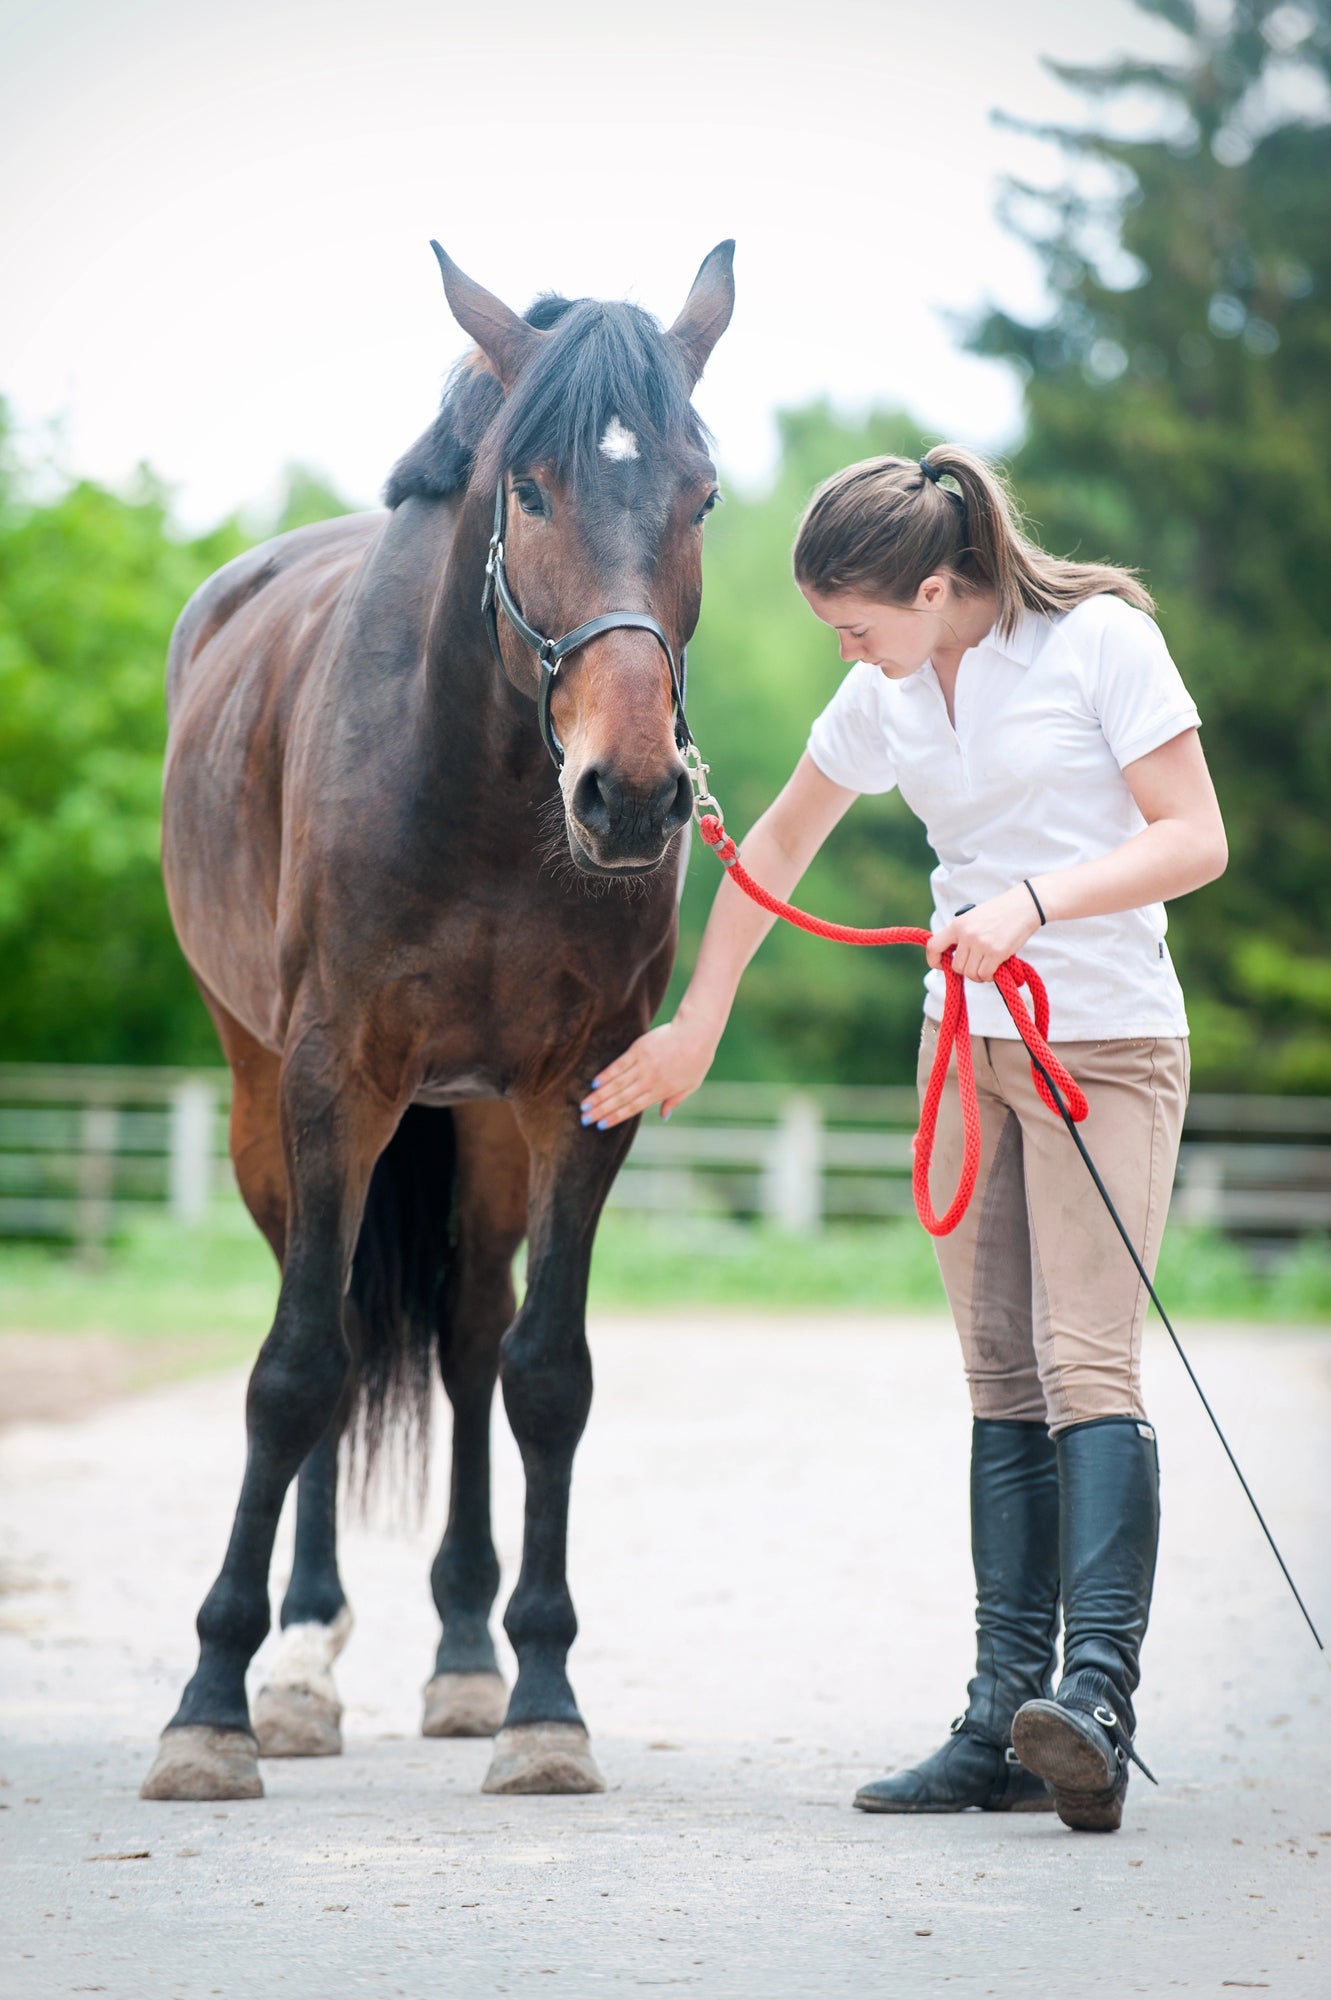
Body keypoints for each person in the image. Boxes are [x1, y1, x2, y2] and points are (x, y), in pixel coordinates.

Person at [579, 447, 1228, 1833]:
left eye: (858, 625)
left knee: (1083, 1361)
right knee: (998, 1373)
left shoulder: (1099, 645)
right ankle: (1003, 1721)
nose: (848, 653)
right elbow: (774, 850)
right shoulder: (887, 693)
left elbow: (1195, 839)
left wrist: (1033, 906)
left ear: (936, 587)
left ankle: (1096, 1705)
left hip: (1099, 1039)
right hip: (962, 1044)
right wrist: (698, 1021)